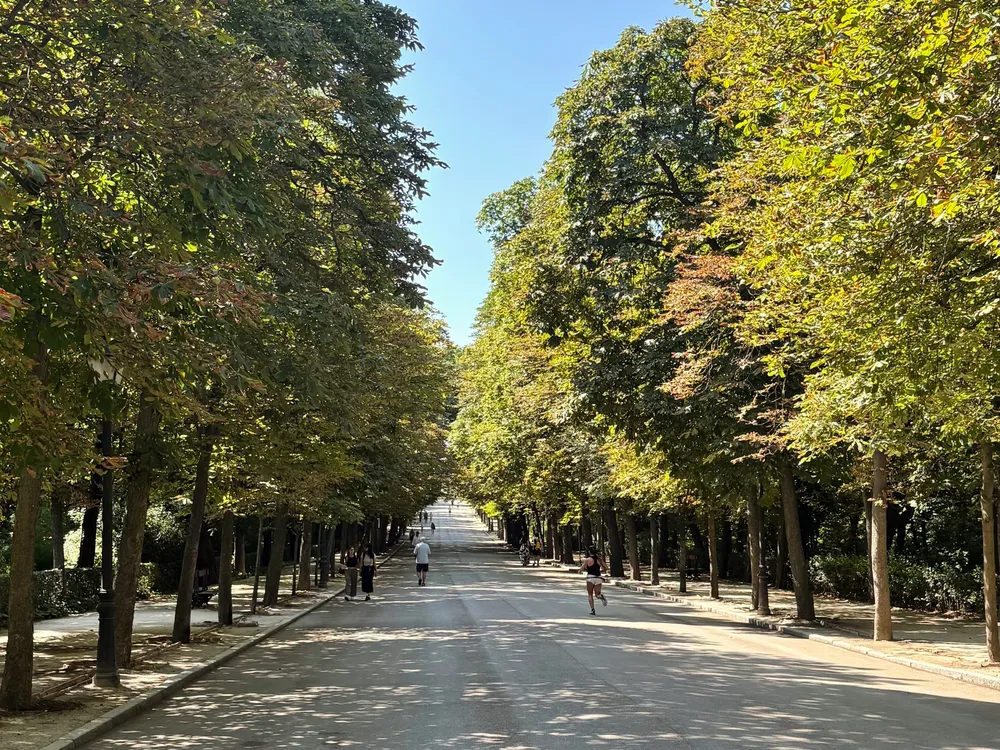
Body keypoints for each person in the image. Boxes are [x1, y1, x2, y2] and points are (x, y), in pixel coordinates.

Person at [579, 545, 608, 616]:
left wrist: (580, 570)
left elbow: (581, 568)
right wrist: (600, 571)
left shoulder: (588, 560)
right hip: (598, 578)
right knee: (597, 594)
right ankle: (601, 597)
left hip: (590, 578)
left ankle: (592, 609)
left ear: (589, 552)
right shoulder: (599, 559)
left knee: (590, 594)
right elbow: (606, 567)